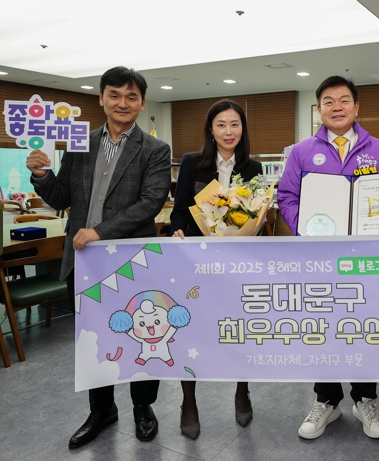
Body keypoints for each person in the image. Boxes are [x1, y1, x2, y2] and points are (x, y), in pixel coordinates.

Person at [26, 66, 171, 449]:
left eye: (131, 96)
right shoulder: (80, 143)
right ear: (101, 98)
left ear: (141, 103)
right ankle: (102, 409)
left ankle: (143, 406)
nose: (123, 103)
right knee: (93, 339)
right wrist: (41, 175)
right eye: (114, 95)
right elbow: (62, 197)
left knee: (145, 331)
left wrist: (101, 231)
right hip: (84, 261)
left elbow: (151, 202)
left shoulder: (155, 150)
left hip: (132, 260)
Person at [278, 75, 379, 440]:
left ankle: (365, 399)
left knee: (364, 325)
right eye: (328, 101)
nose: (337, 107)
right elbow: (287, 197)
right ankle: (326, 400)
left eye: (344, 100)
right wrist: (306, 230)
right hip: (319, 257)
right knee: (323, 326)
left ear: (356, 106)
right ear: (319, 109)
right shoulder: (302, 152)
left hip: (366, 259)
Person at [170, 99, 262, 438]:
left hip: (237, 264)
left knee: (239, 328)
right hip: (197, 261)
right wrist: (178, 230)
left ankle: (242, 390)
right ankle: (188, 401)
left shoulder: (253, 167)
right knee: (191, 329)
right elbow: (180, 211)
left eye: (235, 124)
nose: (228, 131)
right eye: (221, 124)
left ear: (243, 129)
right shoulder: (192, 163)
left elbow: (256, 214)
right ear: (211, 130)